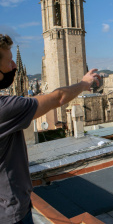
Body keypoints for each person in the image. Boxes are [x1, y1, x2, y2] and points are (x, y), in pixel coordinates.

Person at [0, 34, 100, 224]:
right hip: (11, 214)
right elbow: (58, 98)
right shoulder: (6, 109)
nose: (14, 65)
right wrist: (84, 83)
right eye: (9, 60)